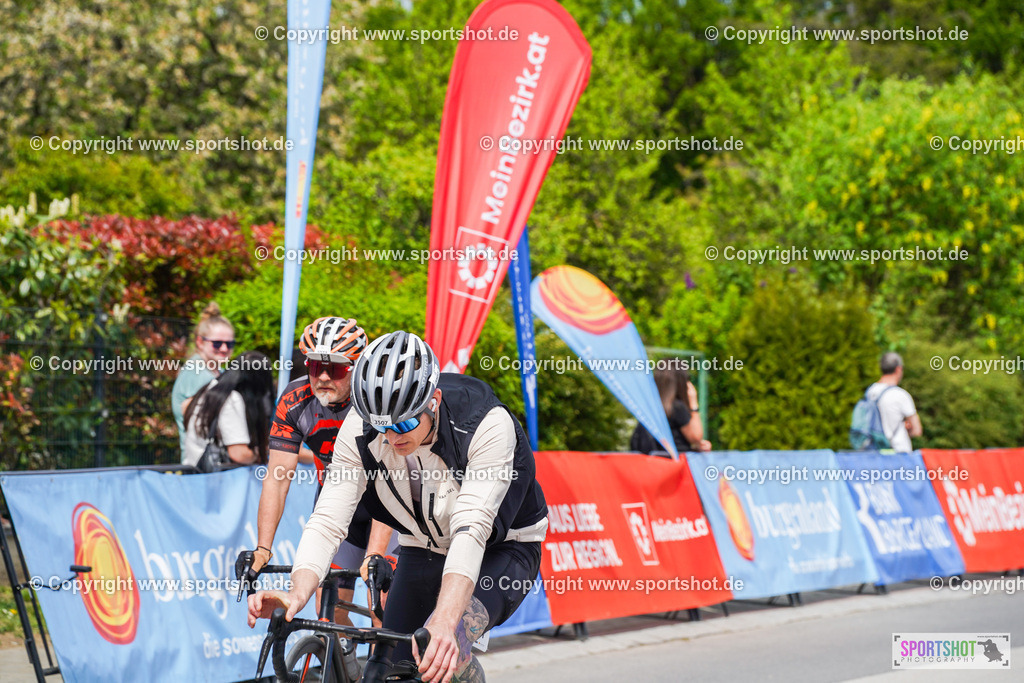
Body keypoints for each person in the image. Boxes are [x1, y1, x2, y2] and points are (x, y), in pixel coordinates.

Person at [247, 331, 548, 683]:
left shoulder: (485, 424)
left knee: (443, 650)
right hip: (421, 543)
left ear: (433, 401)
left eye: (404, 423)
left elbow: (471, 529)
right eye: (382, 426)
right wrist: (298, 592)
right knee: (386, 669)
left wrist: (445, 620)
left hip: (503, 548)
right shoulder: (359, 429)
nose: (392, 437)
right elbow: (328, 519)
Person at [249, 317, 397, 627]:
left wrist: (376, 554)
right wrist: (263, 548)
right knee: (328, 611)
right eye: (316, 367)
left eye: (337, 368)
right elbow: (276, 479)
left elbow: (389, 481)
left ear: (357, 367)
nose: (324, 376)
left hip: (388, 504)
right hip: (338, 503)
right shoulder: (294, 401)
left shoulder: (375, 401)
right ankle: (343, 662)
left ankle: (387, 670)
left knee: (380, 607)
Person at [181, 350, 274, 468]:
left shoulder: (211, 388)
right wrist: (259, 454)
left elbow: (184, 406)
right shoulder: (232, 399)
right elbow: (238, 454)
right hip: (215, 478)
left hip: (194, 473)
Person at [172, 301, 235, 455]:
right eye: (217, 343)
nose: (224, 349)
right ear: (200, 342)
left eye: (229, 343)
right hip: (200, 464)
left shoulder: (217, 370)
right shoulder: (197, 372)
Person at [629, 366, 711, 454]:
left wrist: (696, 448)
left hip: (653, 462)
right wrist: (693, 402)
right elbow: (696, 437)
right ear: (680, 382)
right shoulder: (677, 407)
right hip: (674, 464)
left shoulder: (651, 407)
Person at [865, 352, 922, 453]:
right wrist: (906, 428)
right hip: (898, 454)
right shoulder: (900, 395)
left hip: (874, 453)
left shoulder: (870, 392)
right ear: (898, 369)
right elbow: (917, 430)